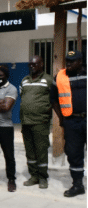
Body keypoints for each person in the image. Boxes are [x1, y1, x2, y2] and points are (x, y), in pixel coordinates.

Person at [51, 50, 86, 198]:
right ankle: (77, 185)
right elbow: (53, 99)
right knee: (73, 153)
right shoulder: (59, 76)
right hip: (71, 121)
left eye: (72, 61)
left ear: (80, 62)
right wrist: (62, 118)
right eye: (67, 61)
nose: (69, 64)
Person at [20, 56, 53, 189]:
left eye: (35, 64)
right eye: (30, 64)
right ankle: (33, 176)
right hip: (25, 121)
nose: (32, 66)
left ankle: (43, 177)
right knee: (30, 151)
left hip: (41, 122)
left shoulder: (48, 80)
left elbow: (54, 98)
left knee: (41, 151)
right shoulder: (25, 80)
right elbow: (23, 97)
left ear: (42, 64)